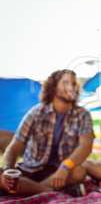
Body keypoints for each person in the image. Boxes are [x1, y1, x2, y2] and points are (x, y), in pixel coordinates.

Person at [0, 69, 94, 197]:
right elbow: (13, 148)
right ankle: (52, 192)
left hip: (60, 171)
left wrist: (65, 166)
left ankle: (31, 190)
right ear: (53, 86)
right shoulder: (36, 113)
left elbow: (86, 146)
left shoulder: (83, 115)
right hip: (31, 169)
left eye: (73, 84)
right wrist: (7, 169)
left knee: (79, 172)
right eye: (66, 83)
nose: (71, 87)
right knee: (2, 176)